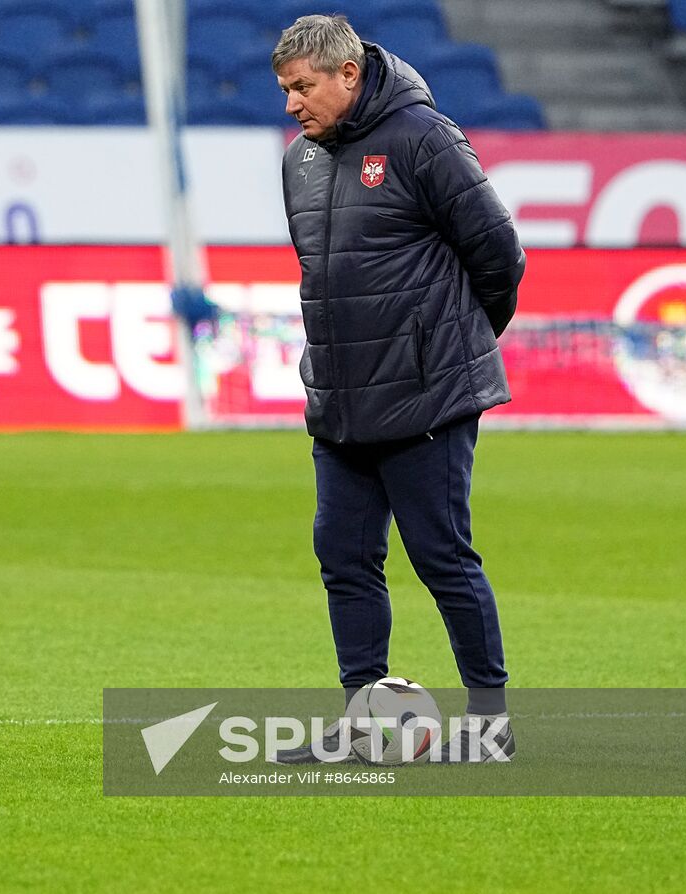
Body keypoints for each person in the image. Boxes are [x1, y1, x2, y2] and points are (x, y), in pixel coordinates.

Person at [266, 15, 524, 763]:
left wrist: (447, 349)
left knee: (441, 556)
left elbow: (499, 254)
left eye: (302, 87)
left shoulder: (423, 138)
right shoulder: (299, 161)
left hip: (426, 395)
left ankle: (491, 722)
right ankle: (359, 721)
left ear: (348, 74)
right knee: (343, 559)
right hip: (341, 397)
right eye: (285, 90)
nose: (292, 104)